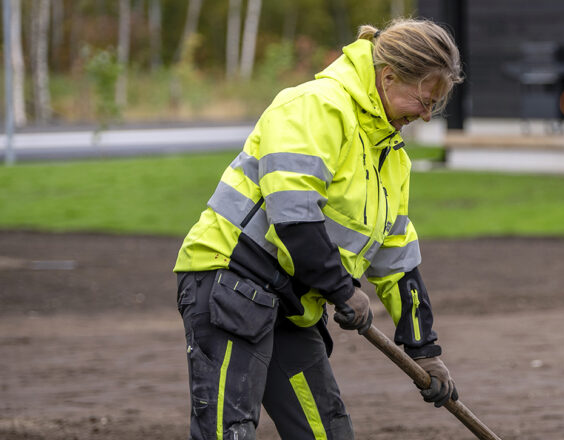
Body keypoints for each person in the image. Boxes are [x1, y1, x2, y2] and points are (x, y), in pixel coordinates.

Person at [172, 18, 463, 439]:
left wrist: (424, 350)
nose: (426, 115)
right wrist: (341, 289)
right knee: (227, 431)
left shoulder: (391, 155)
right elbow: (294, 214)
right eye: (424, 100)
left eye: (435, 105)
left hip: (294, 299)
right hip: (231, 280)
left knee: (326, 432)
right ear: (389, 76)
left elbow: (397, 259)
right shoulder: (317, 106)